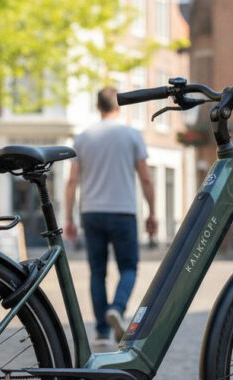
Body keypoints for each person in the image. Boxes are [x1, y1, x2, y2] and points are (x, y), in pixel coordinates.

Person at [64, 87, 156, 349]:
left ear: (98, 107)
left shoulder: (83, 138)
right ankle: (117, 307)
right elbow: (146, 178)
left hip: (91, 212)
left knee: (97, 272)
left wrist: (69, 217)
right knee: (129, 267)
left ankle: (102, 332)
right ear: (119, 107)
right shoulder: (132, 135)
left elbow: (72, 181)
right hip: (123, 211)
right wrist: (152, 212)